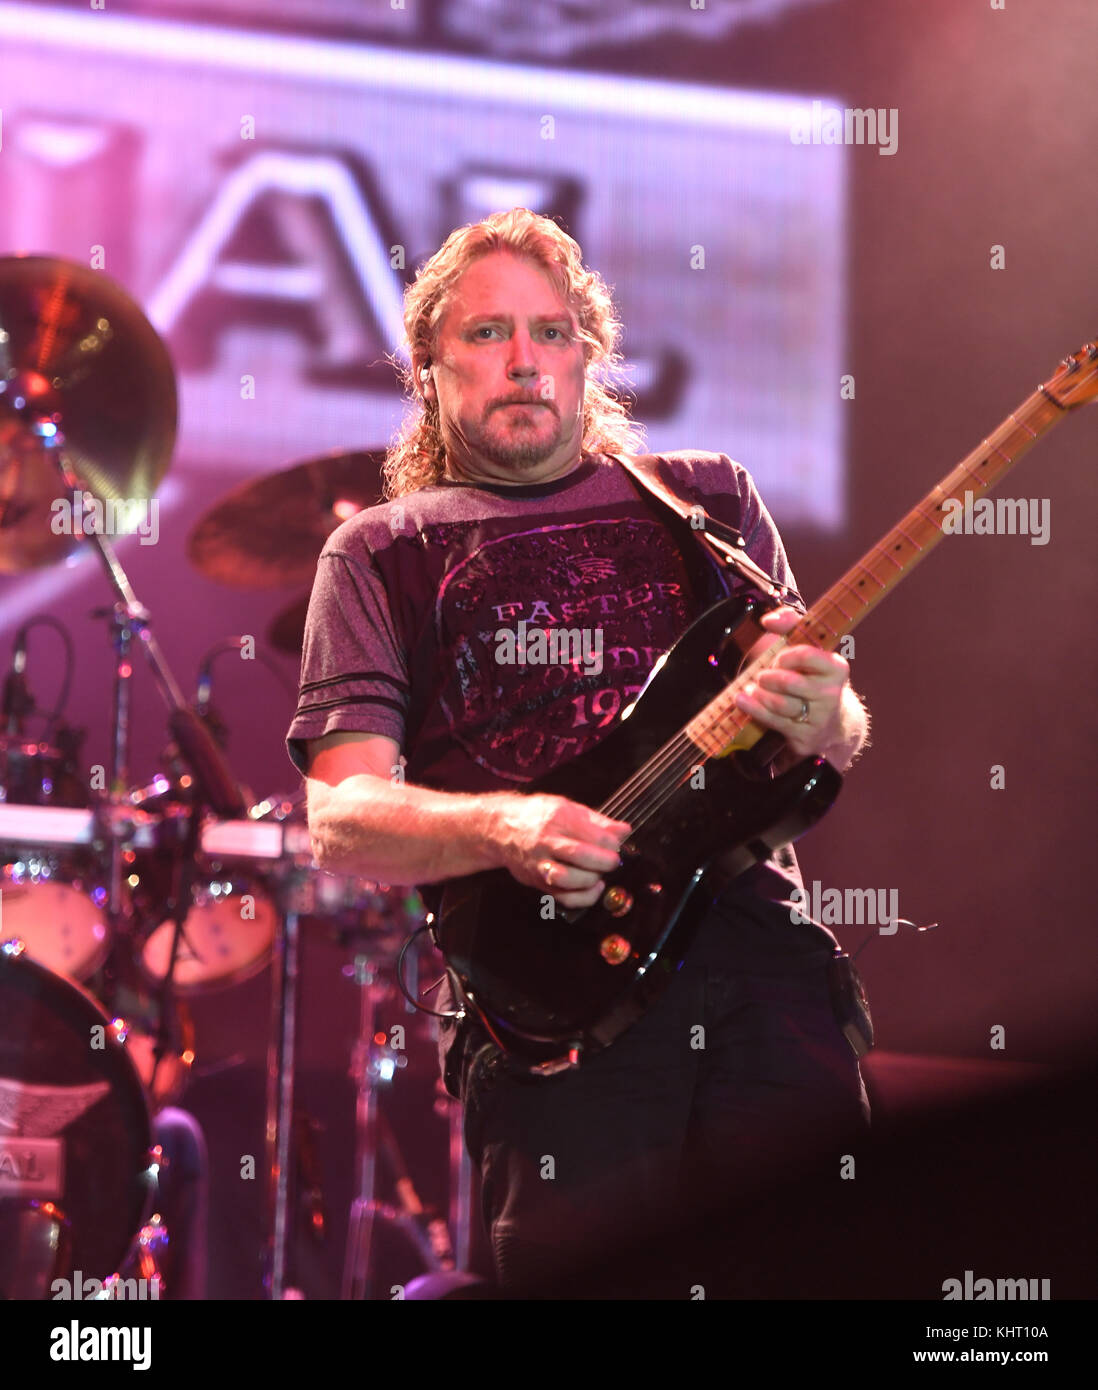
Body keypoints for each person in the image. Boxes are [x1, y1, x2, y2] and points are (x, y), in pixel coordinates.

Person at [286, 207, 872, 1297]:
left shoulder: (709, 502)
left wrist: (821, 708)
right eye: (486, 334)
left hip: (764, 972)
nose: (524, 361)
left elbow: (836, 734)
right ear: (428, 367)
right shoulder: (378, 554)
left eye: (553, 333)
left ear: (588, 359)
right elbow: (342, 817)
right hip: (558, 1006)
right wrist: (498, 825)